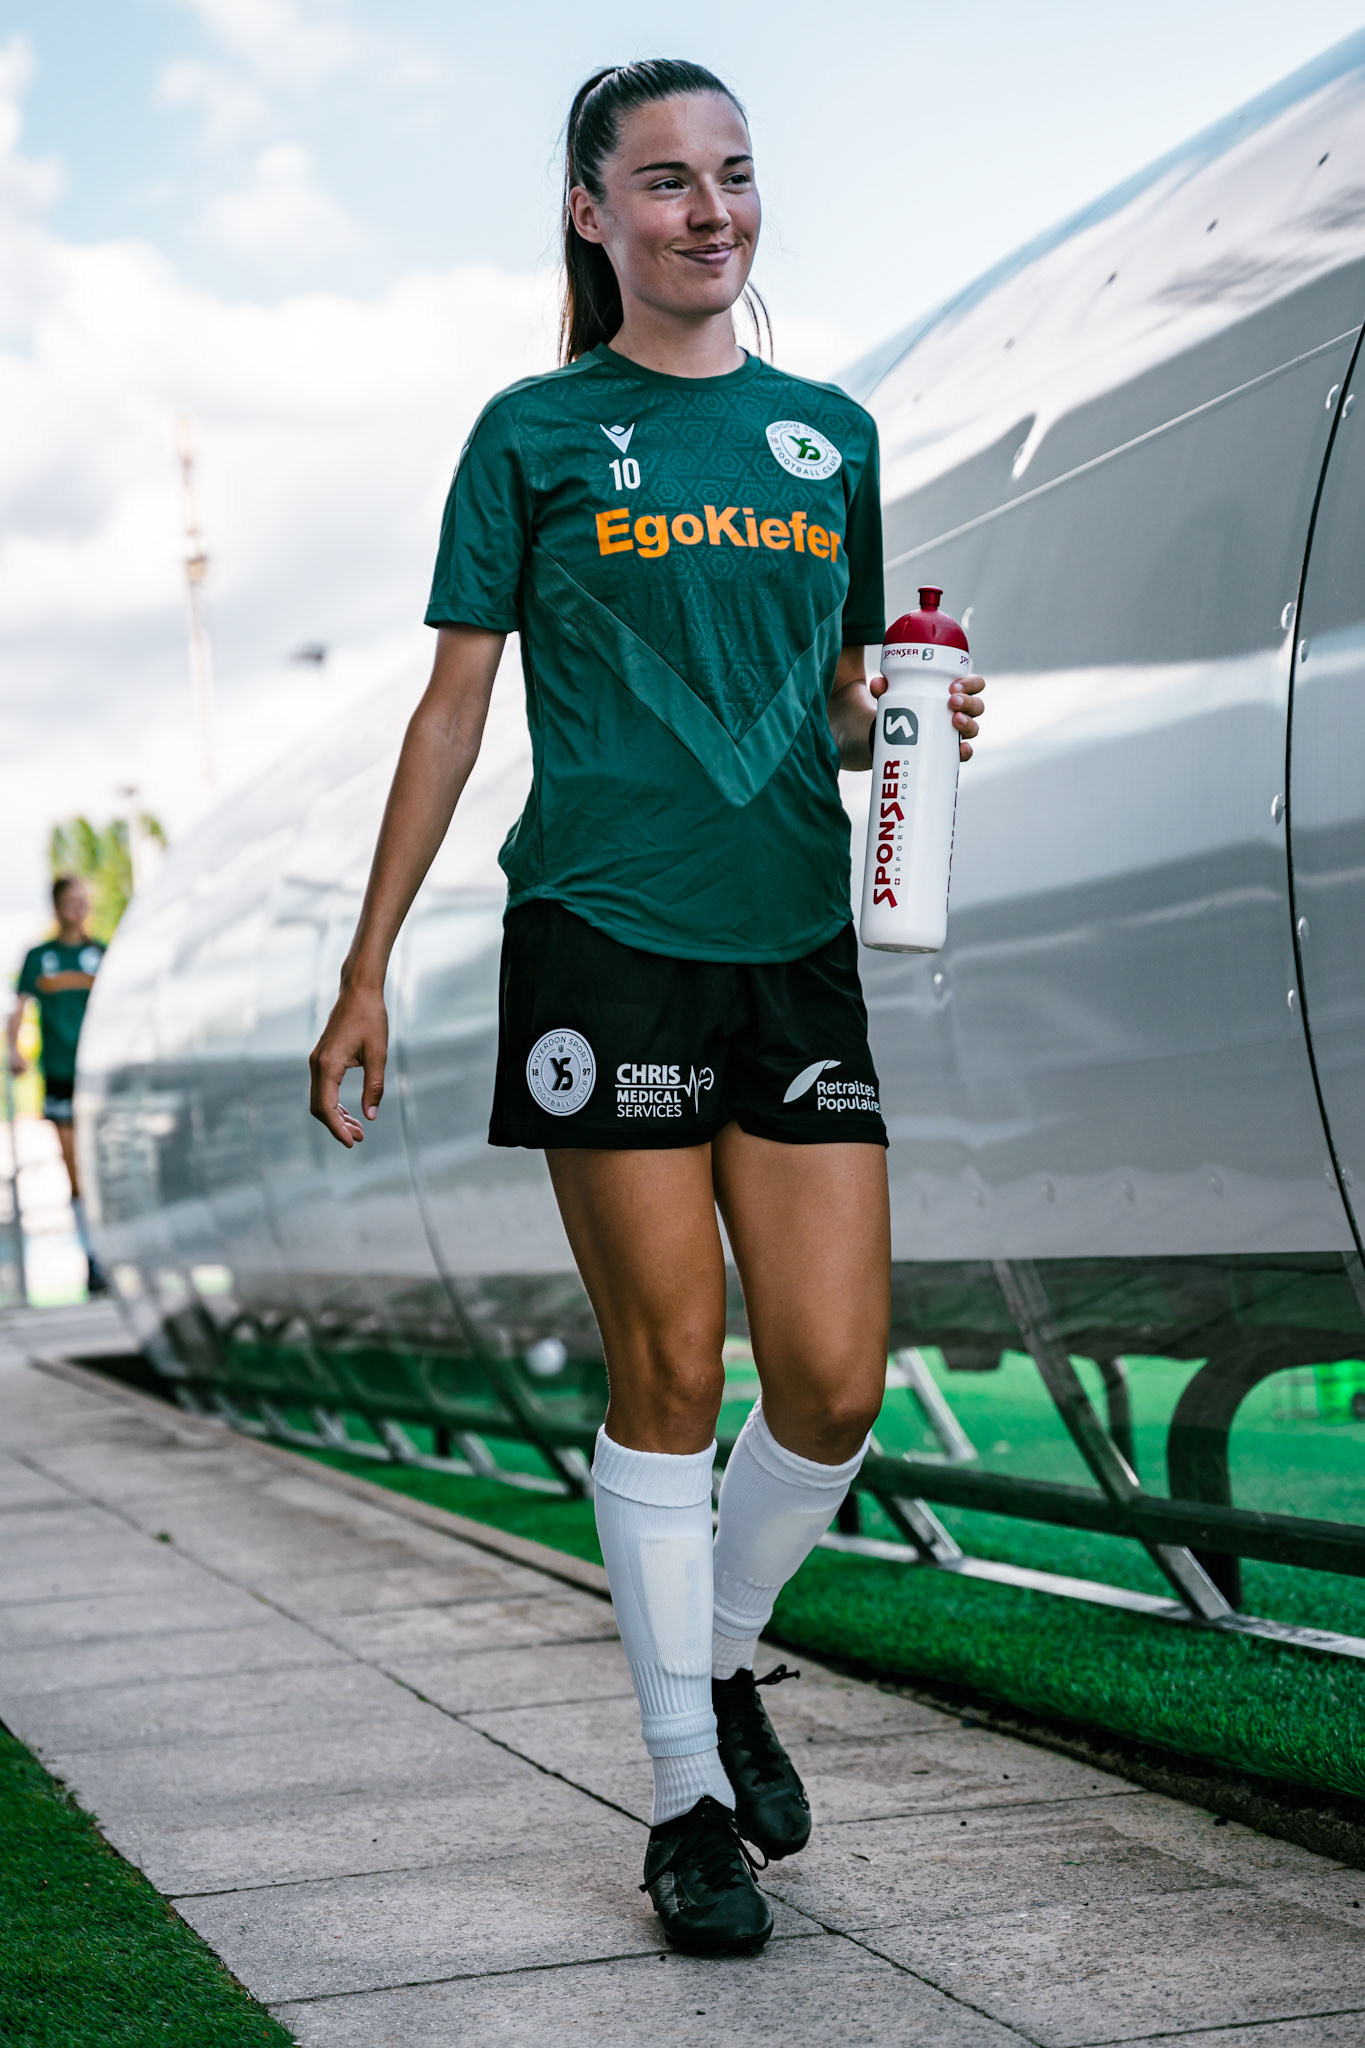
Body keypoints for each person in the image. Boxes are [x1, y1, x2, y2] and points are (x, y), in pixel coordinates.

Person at [310, 58, 985, 1958]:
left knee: (838, 1378)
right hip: (600, 935)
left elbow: (838, 701)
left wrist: (915, 704)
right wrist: (364, 966)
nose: (712, 210)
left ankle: (725, 1648)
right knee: (671, 1371)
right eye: (669, 182)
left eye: (736, 177)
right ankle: (686, 1795)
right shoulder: (531, 434)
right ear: (595, 216)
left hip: (792, 946)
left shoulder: (825, 435)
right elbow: (452, 710)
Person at [9, 875, 108, 1295]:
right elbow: (19, 1007)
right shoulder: (40, 956)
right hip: (61, 1074)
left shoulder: (101, 955)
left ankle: (110, 1250)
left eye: (84, 901)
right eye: (71, 901)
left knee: (101, 1165)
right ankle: (93, 1258)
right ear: (57, 906)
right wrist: (14, 1050)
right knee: (75, 1169)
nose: (78, 908)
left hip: (98, 1073)